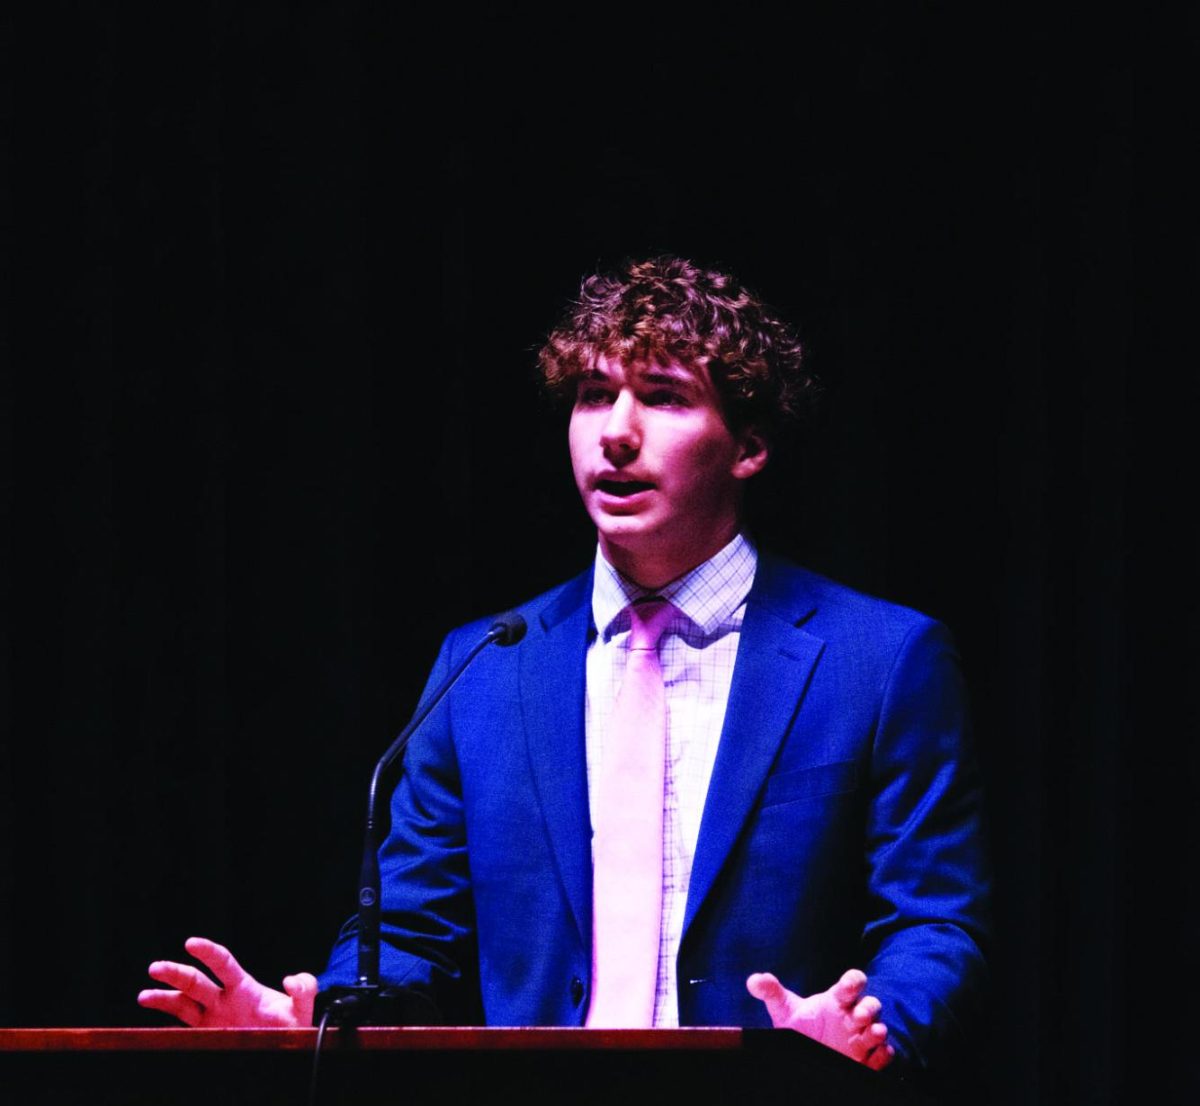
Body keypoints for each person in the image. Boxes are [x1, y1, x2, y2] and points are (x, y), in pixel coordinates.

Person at [140, 257, 990, 1079]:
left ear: (749, 446)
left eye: (662, 398)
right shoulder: (483, 667)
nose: (616, 432)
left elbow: (936, 922)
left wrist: (870, 1027)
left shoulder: (880, 661)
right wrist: (319, 1022)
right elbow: (410, 939)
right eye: (593, 397)